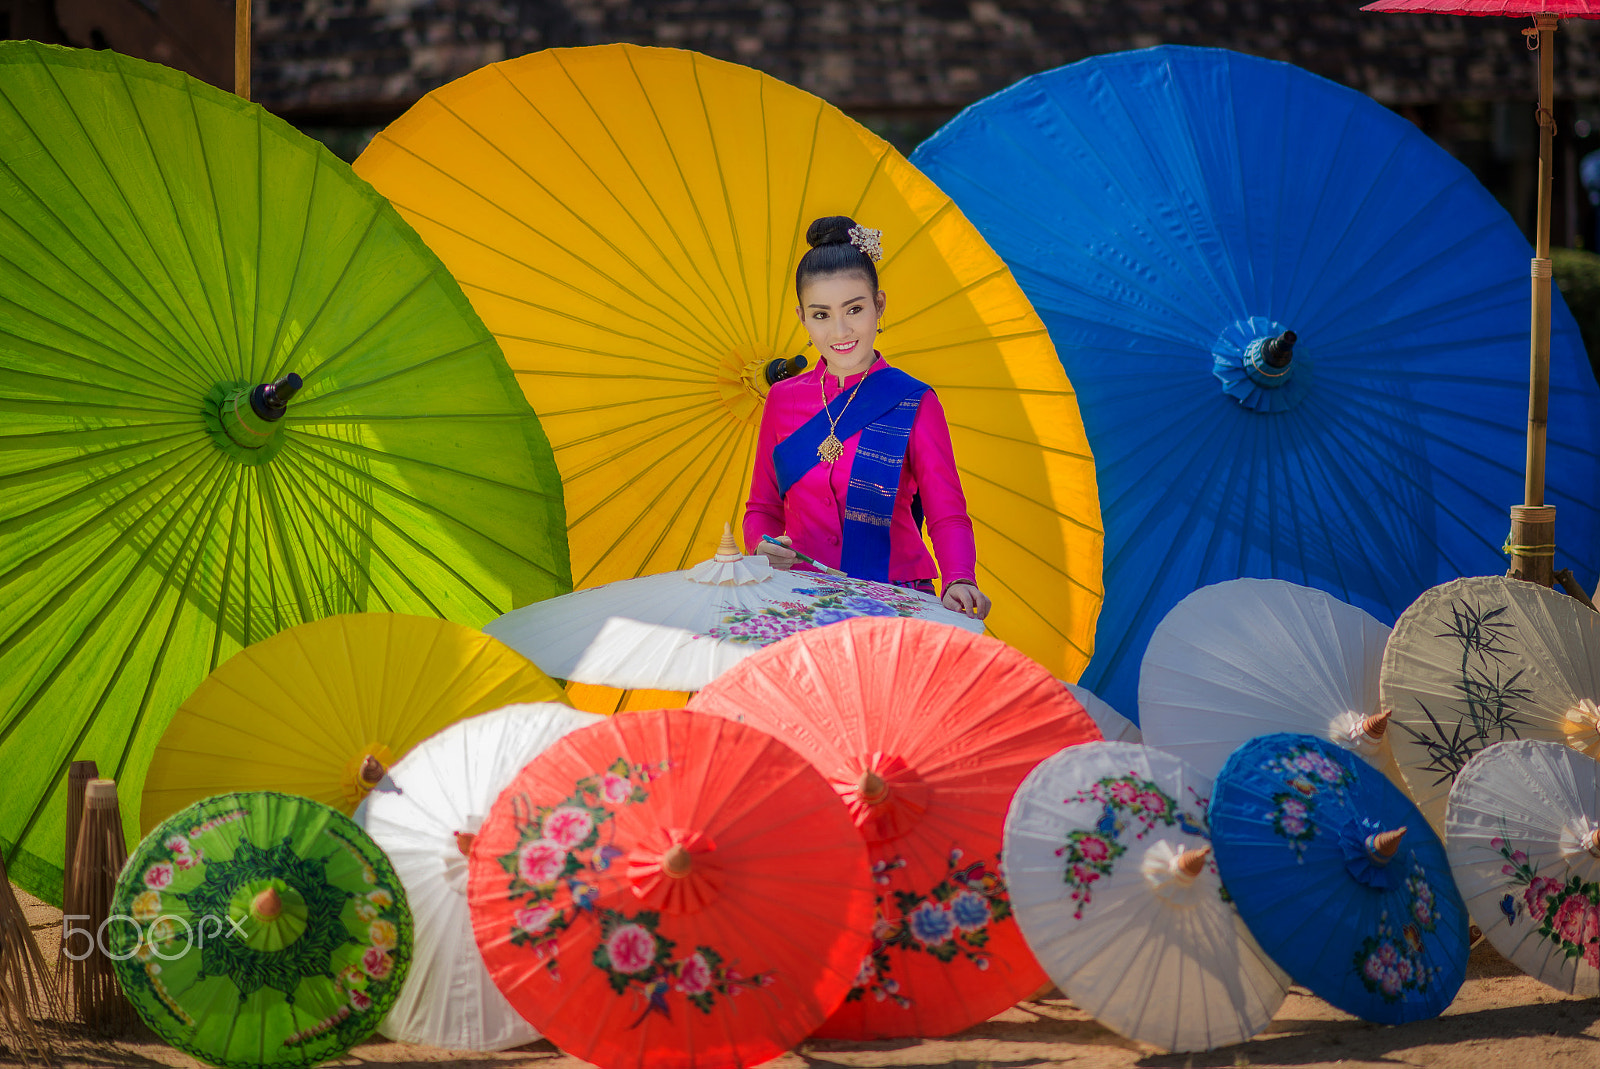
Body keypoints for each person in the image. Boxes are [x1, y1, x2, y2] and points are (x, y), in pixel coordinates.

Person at [743, 215, 992, 620]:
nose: (840, 330)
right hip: (800, 598)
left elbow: (946, 512)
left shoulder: (915, 401)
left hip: (894, 599)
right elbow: (762, 508)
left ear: (879, 306)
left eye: (854, 309)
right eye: (821, 315)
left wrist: (959, 578)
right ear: (802, 317)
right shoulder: (782, 400)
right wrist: (762, 544)